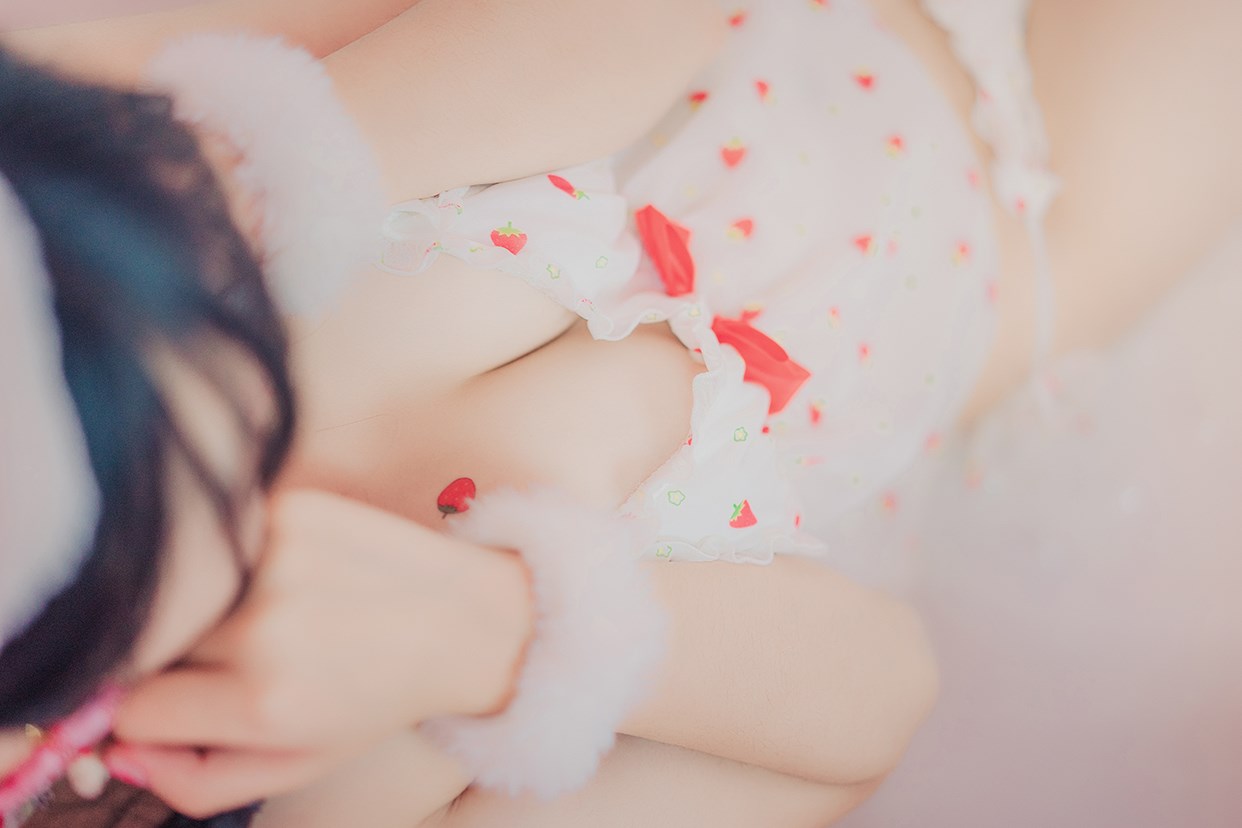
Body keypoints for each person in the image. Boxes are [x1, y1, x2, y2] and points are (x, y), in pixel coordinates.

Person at [4, 0, 1240, 825]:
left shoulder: (112, 223)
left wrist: (247, 175)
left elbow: (639, 17)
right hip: (1014, 252)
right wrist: (491, 636)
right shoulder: (306, 765)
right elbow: (882, 690)